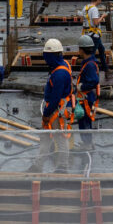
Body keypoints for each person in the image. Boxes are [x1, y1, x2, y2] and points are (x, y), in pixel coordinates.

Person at [34, 39, 73, 173]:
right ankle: (38, 165)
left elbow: (56, 98)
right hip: (56, 108)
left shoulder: (59, 74)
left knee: (60, 138)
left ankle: (63, 167)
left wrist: (46, 114)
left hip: (57, 110)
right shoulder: (62, 65)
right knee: (45, 137)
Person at [75, 35, 100, 150]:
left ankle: (87, 145)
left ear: (82, 49)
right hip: (85, 97)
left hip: (86, 98)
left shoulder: (89, 65)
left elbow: (94, 81)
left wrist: (82, 87)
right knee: (85, 121)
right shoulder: (88, 62)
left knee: (84, 122)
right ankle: (87, 143)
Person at [81, 0, 109, 74]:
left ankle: (105, 69)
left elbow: (82, 20)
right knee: (91, 54)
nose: (100, 1)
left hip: (87, 34)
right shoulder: (94, 9)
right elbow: (96, 23)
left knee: (101, 49)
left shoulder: (85, 7)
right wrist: (103, 16)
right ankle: (89, 71)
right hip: (94, 35)